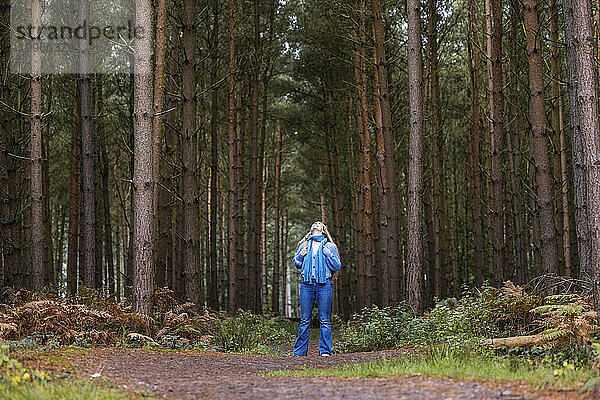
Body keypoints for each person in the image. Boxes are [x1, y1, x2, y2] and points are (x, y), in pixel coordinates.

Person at [292, 221, 341, 356]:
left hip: (324, 285)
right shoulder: (304, 245)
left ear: (323, 230)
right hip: (306, 285)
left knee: (324, 320)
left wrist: (327, 253)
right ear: (311, 229)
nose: (317, 224)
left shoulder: (330, 246)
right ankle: (300, 352)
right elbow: (296, 264)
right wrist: (301, 254)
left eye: (319, 224)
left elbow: (337, 266)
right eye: (315, 223)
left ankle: (325, 351)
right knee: (304, 320)